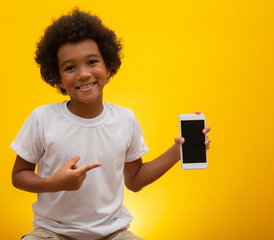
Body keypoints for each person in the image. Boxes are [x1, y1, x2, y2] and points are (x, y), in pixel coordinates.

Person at [11, 8, 211, 240]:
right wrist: (53, 183)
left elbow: (135, 180)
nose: (84, 74)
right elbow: (19, 175)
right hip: (52, 232)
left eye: (92, 62)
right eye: (70, 68)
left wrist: (178, 151)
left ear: (108, 66)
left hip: (112, 233)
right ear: (57, 77)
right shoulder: (42, 118)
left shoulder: (125, 119)